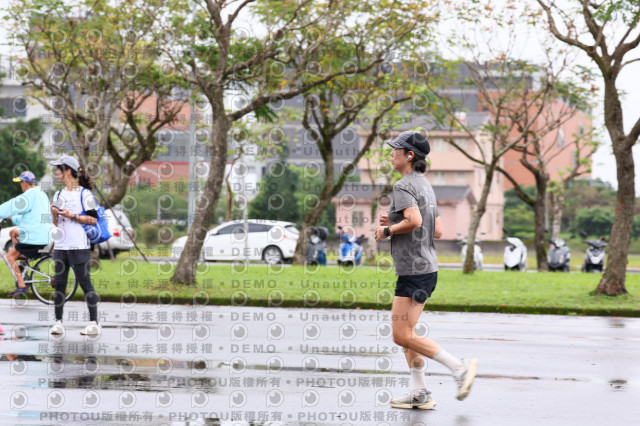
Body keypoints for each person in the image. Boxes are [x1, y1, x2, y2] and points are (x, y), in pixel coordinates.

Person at [374, 131, 478, 409]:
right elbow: (438, 229)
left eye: (396, 150)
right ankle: (420, 393)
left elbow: (415, 221)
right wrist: (396, 221)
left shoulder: (403, 185)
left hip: (413, 270)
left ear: (410, 156)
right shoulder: (425, 185)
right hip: (425, 268)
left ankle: (459, 367)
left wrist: (387, 230)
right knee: (408, 334)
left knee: (402, 335)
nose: (391, 154)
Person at [49, 155, 101, 336]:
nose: (56, 173)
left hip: (79, 246)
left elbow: (94, 219)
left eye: (58, 169)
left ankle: (93, 323)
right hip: (61, 247)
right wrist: (54, 214)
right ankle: (58, 322)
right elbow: (56, 223)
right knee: (59, 285)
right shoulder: (58, 194)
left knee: (85, 284)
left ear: (68, 171)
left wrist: (72, 216)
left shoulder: (85, 194)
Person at [0, 171, 53, 297]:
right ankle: (23, 266)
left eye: (20, 182)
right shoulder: (41, 194)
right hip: (42, 235)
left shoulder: (30, 194)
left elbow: (13, 205)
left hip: (33, 236)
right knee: (13, 233)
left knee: (10, 256)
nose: (20, 185)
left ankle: (22, 286)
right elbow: (31, 217)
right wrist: (12, 218)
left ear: (24, 182)